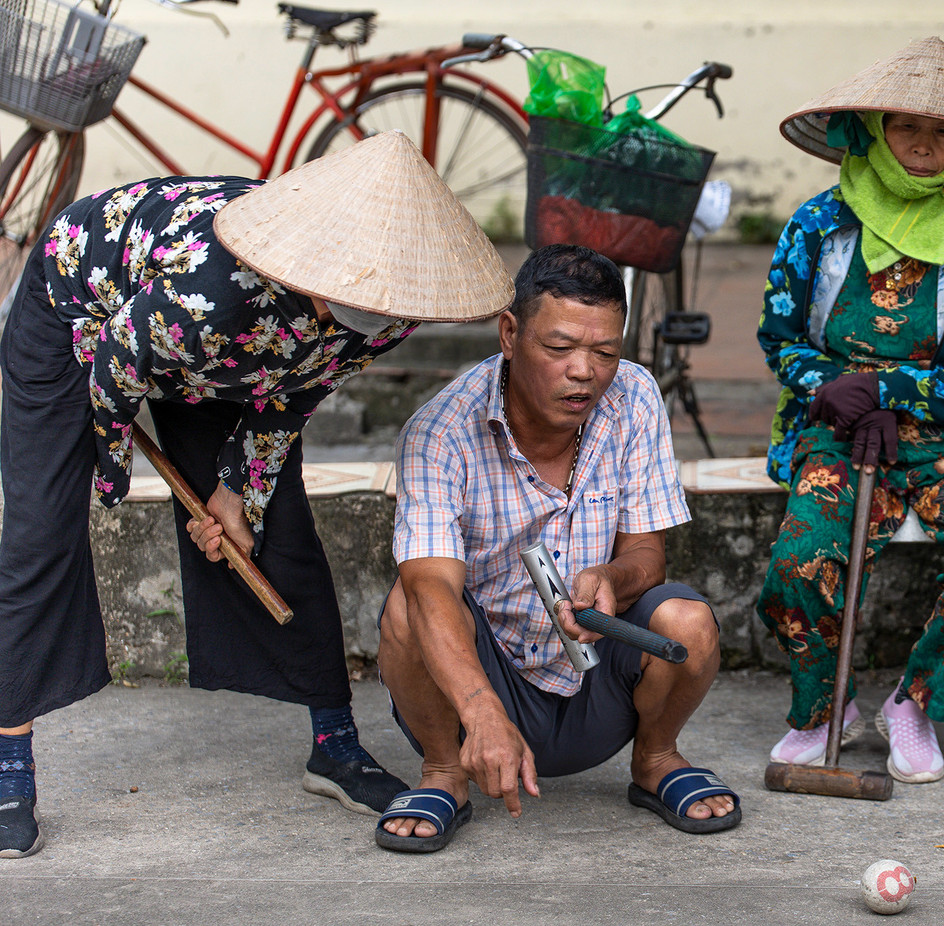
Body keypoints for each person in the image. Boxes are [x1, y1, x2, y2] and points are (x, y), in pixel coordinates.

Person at [0, 131, 516, 858]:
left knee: (279, 531)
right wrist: (108, 472)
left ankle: (334, 746)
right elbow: (116, 364)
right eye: (349, 300)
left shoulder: (390, 308)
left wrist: (237, 496)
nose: (366, 318)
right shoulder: (211, 293)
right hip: (85, 316)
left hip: (224, 351)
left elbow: (296, 390)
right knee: (40, 531)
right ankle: (8, 763)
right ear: (313, 270)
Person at [374, 244, 738, 852]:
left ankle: (655, 760)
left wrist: (614, 582)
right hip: (486, 689)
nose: (584, 372)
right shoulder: (440, 432)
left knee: (689, 621)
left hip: (598, 688)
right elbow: (430, 585)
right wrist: (482, 710)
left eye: (604, 352)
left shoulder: (635, 396)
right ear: (510, 333)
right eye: (561, 347)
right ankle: (443, 773)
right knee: (410, 609)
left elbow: (648, 557)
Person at [756, 38, 944, 785]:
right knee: (796, 562)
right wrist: (840, 393)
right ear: (873, 134)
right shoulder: (819, 223)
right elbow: (780, 338)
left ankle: (914, 703)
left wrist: (889, 393)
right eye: (904, 127)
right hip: (839, 428)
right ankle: (825, 707)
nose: (923, 144)